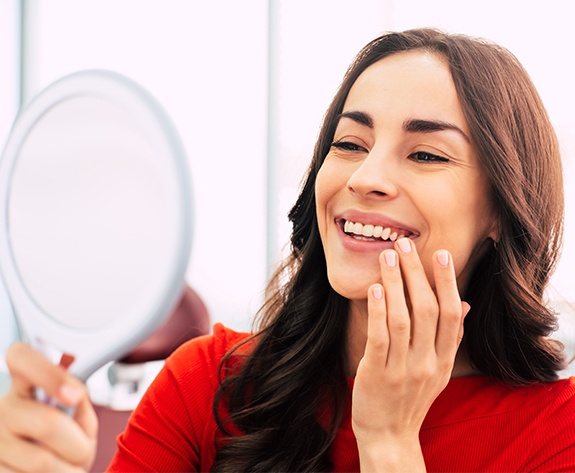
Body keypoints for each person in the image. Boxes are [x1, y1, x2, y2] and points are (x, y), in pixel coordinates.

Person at [0, 27, 574, 472]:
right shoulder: (205, 385)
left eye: (425, 154)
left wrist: (390, 442)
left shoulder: (557, 431)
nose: (366, 176)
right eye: (349, 143)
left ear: (501, 210)